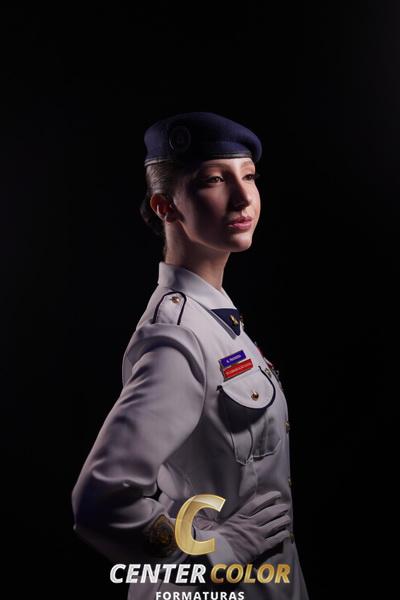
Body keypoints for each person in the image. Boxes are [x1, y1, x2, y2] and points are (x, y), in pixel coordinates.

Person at [72, 112, 310, 599]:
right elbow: (100, 501)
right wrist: (218, 550)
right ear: (165, 206)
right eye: (214, 180)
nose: (243, 198)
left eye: (249, 177)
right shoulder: (176, 337)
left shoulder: (215, 316)